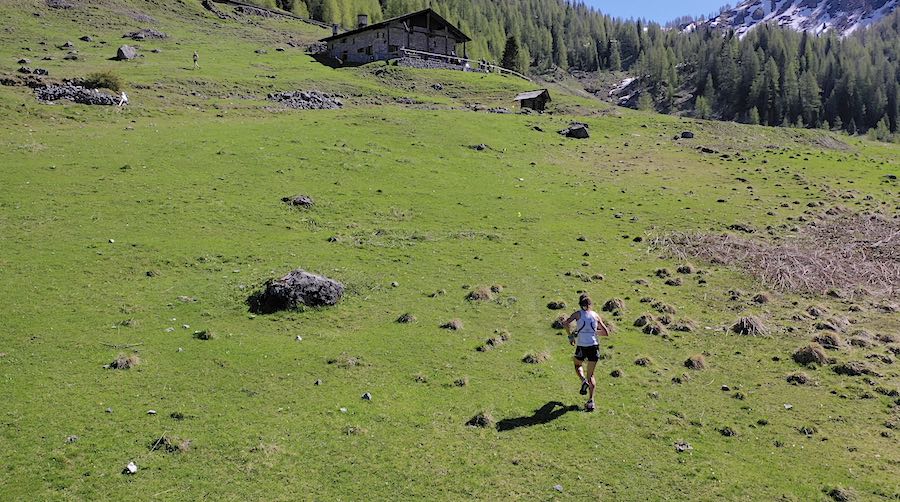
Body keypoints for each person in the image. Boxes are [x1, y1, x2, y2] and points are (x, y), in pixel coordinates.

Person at [563, 294, 610, 411]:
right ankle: (590, 402)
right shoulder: (595, 315)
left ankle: (583, 381)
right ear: (590, 304)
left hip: (582, 346)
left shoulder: (577, 314)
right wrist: (593, 332)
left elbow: (566, 323)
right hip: (594, 347)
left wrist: (570, 336)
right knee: (592, 375)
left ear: (580, 304)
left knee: (577, 364)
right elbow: (605, 332)